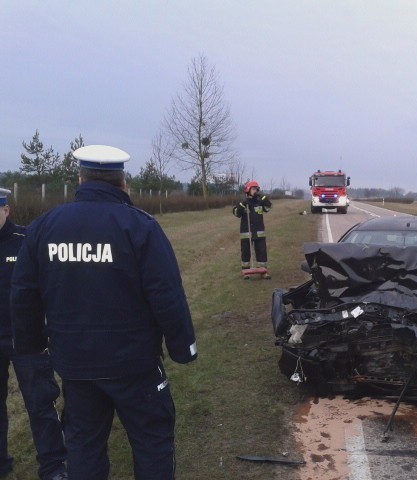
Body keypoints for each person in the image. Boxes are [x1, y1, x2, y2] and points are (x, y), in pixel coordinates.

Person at [10, 146, 198, 480]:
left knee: (83, 445)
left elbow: (24, 295)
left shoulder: (44, 227)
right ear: (123, 183)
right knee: (152, 442)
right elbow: (166, 294)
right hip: (134, 364)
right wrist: (183, 349)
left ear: (79, 180)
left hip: (75, 364)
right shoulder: (140, 226)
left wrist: (30, 346)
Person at [0, 188, 67, 480]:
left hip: (27, 338)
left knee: (40, 405)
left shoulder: (27, 241)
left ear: (6, 210)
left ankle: (53, 467)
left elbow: (52, 286)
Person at [232, 180, 272, 278]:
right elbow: (236, 213)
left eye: (256, 189)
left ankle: (263, 272)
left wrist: (266, 201)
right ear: (248, 190)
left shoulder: (259, 202)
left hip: (259, 233)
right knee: (245, 253)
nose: (255, 191)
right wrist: (242, 205)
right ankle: (245, 271)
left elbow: (267, 208)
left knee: (262, 252)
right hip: (246, 233)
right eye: (253, 189)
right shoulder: (243, 203)